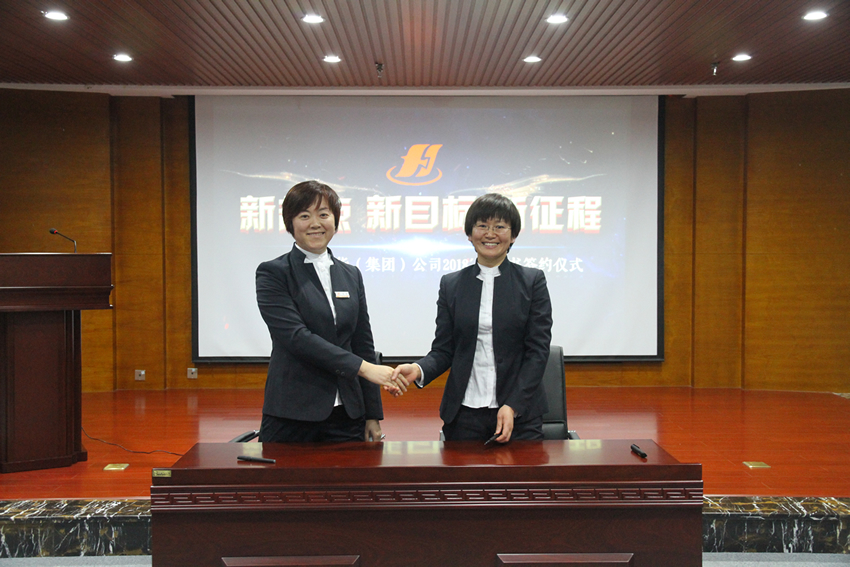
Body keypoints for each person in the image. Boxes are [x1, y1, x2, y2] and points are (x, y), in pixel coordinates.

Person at [392, 193, 552, 443]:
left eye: (500, 227)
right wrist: (418, 369)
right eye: (482, 226)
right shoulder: (451, 285)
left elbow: (538, 351)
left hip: (519, 414)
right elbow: (444, 350)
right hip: (464, 413)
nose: (490, 234)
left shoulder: (532, 282)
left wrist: (513, 405)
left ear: (513, 236)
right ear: (469, 233)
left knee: (520, 471)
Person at [256, 180, 401, 443]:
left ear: (335, 220)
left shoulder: (351, 274)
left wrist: (372, 414)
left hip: (348, 414)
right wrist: (363, 368)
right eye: (304, 216)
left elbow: (362, 343)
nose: (315, 223)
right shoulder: (273, 273)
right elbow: (296, 337)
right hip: (292, 413)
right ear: (290, 223)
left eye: (323, 214)